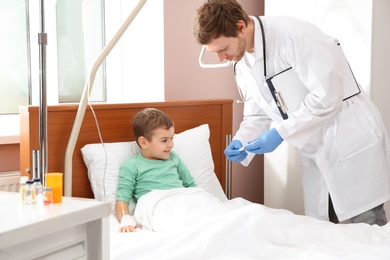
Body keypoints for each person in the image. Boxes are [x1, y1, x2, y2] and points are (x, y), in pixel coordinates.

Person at [193, 0, 390, 226]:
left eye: (222, 49)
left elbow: (327, 97)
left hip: (348, 136)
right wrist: (241, 140)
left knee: (367, 227)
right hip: (315, 147)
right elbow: (258, 114)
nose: (221, 58)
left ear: (240, 27)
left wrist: (280, 133)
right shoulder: (242, 61)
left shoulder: (293, 36)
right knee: (326, 229)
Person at [115, 108, 197, 232]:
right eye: (164, 140)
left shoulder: (174, 158)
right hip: (157, 205)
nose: (170, 144)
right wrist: (125, 218)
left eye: (172, 138)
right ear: (143, 142)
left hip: (182, 200)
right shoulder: (132, 165)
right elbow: (122, 198)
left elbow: (191, 185)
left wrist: (199, 200)